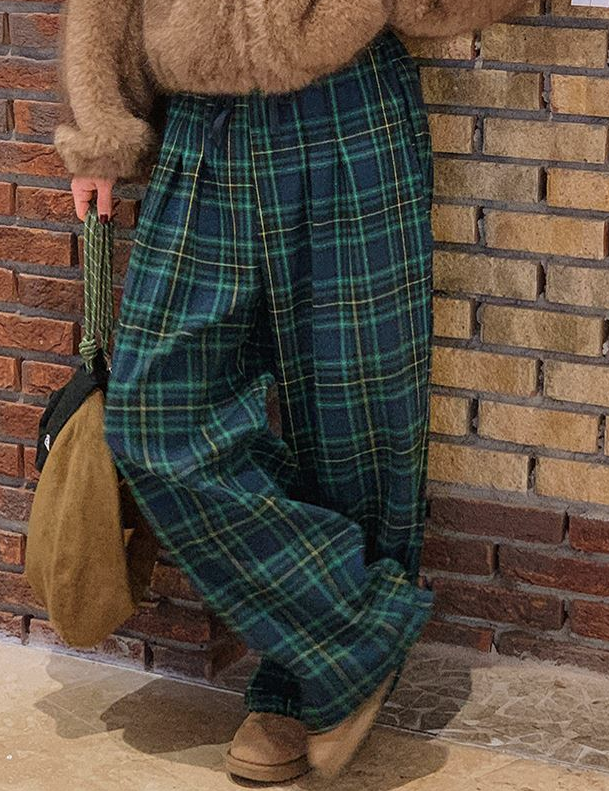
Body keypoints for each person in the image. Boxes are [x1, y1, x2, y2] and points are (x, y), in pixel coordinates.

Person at [53, 0, 526, 782]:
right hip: (202, 124)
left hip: (351, 105)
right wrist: (99, 122)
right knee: (152, 414)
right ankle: (353, 632)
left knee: (358, 412)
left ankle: (300, 681)